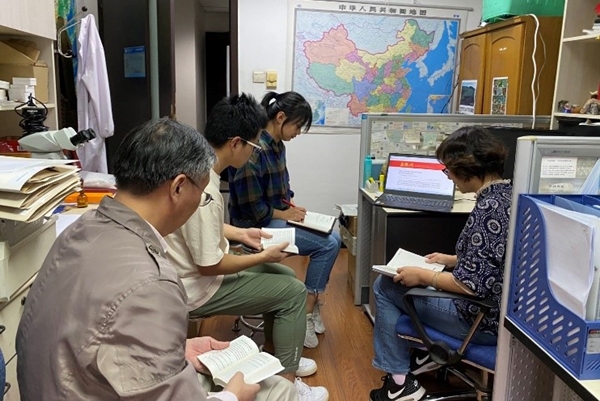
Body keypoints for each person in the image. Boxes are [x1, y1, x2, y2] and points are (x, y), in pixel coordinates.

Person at [16, 118, 297, 401]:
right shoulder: (151, 283)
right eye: (200, 193)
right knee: (278, 390)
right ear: (178, 188)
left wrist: (178, 349)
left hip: (57, 386)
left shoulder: (78, 230)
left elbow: (91, 335)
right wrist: (233, 397)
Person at [165, 94, 329, 401]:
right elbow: (209, 265)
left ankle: (276, 359)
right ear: (236, 143)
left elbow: (202, 227)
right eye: (253, 146)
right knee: (293, 292)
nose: (254, 152)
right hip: (196, 287)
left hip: (194, 272)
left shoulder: (198, 171)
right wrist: (262, 256)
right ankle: (288, 382)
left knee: (284, 276)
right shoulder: (205, 189)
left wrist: (242, 233)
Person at [369, 126, 512, 401]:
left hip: (478, 321)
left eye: (448, 171)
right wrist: (452, 260)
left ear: (465, 169)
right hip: (500, 314)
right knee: (402, 285)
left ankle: (399, 383)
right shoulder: (506, 196)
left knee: (385, 286)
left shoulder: (487, 209)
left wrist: (424, 276)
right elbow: (495, 257)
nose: (448, 177)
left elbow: (470, 286)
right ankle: (423, 356)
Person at [228, 91, 342, 349]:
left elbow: (282, 190)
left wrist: (292, 207)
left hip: (274, 218)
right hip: (254, 227)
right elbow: (253, 211)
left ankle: (312, 302)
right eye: (297, 126)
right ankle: (307, 312)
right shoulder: (254, 151)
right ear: (280, 118)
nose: (298, 132)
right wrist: (284, 214)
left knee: (335, 237)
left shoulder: (278, 146)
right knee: (328, 245)